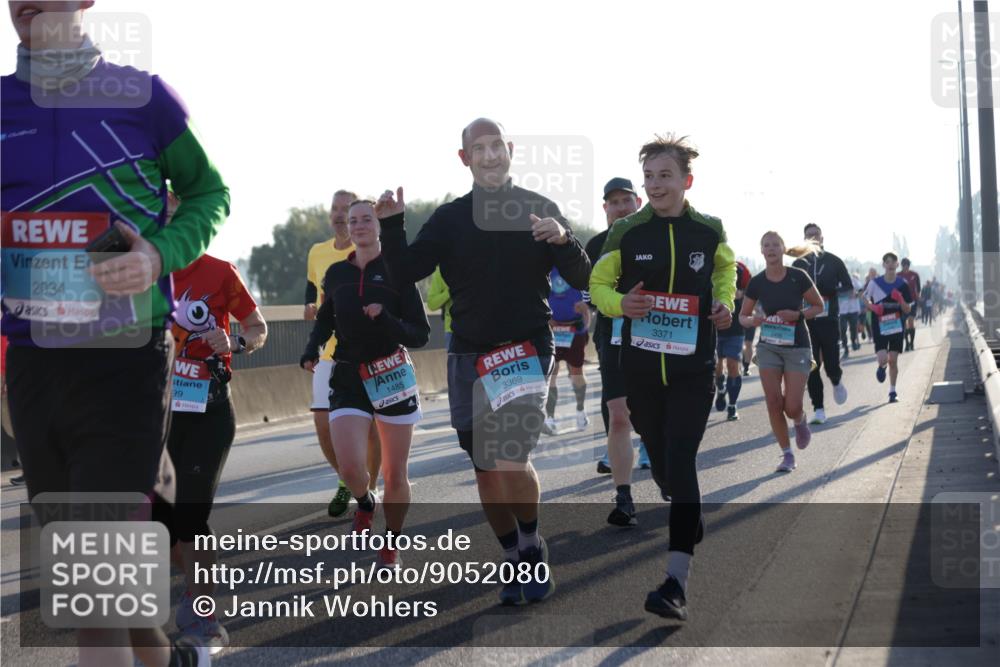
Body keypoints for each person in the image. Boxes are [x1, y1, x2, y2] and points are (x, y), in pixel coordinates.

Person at [2, 3, 229, 665]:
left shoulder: (144, 97)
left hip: (125, 362)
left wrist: (158, 254)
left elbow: (209, 194)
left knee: (93, 591)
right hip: (33, 364)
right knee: (108, 585)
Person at [378, 118, 590, 605]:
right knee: (484, 467)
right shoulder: (450, 219)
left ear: (510, 150)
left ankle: (533, 545)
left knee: (510, 454)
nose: (490, 155)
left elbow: (580, 273)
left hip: (526, 347)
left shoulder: (538, 209)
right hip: (470, 353)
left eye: (498, 146)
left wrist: (563, 239)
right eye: (480, 148)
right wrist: (392, 225)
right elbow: (407, 269)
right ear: (465, 158)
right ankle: (514, 552)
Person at [590, 134, 736, 621]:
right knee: (667, 474)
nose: (654, 184)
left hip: (694, 368)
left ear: (686, 181)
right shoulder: (627, 232)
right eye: (648, 176)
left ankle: (675, 582)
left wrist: (724, 303)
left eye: (664, 175)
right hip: (641, 369)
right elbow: (599, 286)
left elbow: (725, 272)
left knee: (681, 459)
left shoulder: (709, 229)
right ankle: (683, 510)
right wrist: (619, 304)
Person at [157, 192, 268, 653]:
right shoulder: (141, 271)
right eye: (159, 211)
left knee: (192, 516)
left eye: (174, 211)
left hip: (208, 409)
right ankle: (191, 590)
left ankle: (205, 617)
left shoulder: (219, 271)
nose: (168, 218)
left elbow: (258, 328)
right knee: (161, 526)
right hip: (156, 416)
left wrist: (234, 343)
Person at [301, 199, 430, 568]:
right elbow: (325, 319)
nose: (357, 225)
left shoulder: (397, 272)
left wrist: (386, 318)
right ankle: (365, 503)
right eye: (352, 220)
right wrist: (311, 348)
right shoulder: (337, 274)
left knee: (393, 472)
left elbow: (419, 334)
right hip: (348, 374)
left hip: (391, 374)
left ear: (378, 225)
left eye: (366, 219)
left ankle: (391, 541)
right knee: (352, 466)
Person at [304, 190, 382, 518]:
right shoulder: (317, 252)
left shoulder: (366, 248)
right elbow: (313, 292)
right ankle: (347, 478)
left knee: (373, 428)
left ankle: (370, 486)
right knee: (323, 423)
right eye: (335, 209)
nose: (339, 215)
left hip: (368, 352)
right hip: (329, 353)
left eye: (345, 210)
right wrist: (310, 308)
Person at [584, 177, 647, 523]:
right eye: (614, 202)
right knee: (618, 415)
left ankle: (667, 471)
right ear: (605, 207)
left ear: (638, 203)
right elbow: (587, 293)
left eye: (627, 200)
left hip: (658, 339)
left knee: (653, 415)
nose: (621, 207)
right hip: (612, 337)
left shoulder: (655, 234)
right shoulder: (595, 245)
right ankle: (624, 498)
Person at [740, 232, 824, 473]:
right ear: (761, 250)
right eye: (766, 245)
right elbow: (742, 316)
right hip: (768, 345)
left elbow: (819, 306)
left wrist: (797, 315)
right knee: (774, 402)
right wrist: (753, 320)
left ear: (783, 248)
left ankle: (799, 419)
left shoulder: (798, 276)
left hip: (797, 344)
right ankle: (787, 455)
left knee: (792, 405)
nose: (771, 248)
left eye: (775, 244)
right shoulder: (757, 282)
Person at [792, 224, 853, 425]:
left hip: (829, 319)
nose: (813, 238)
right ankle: (818, 408)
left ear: (822, 237)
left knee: (831, 364)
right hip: (807, 321)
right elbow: (788, 288)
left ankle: (836, 380)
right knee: (811, 365)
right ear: (804, 239)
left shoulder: (834, 261)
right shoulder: (798, 264)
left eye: (816, 235)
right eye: (809, 235)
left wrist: (833, 290)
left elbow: (848, 287)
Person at [543, 267, 591, 434]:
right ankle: (550, 418)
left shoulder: (575, 264)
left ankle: (580, 411)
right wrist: (547, 318)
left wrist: (586, 320)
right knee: (552, 373)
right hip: (552, 328)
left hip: (574, 328)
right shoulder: (543, 265)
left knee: (577, 371)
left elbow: (587, 299)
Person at [863, 252, 912, 403]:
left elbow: (907, 310)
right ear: (883, 265)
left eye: (893, 262)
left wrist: (901, 299)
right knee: (884, 359)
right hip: (880, 325)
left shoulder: (902, 284)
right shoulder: (875, 283)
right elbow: (864, 298)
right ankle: (881, 366)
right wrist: (872, 307)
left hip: (897, 325)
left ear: (897, 265)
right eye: (887, 262)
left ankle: (892, 391)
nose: (890, 264)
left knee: (893, 360)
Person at [714, 260, 752, 420]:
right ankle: (721, 389)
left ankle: (732, 405)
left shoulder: (741, 269)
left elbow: (751, 292)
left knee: (732, 366)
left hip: (735, 328)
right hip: (713, 328)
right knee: (716, 367)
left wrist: (741, 294)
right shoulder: (709, 264)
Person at [426, 265, 453, 349]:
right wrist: (450, 292)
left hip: (479, 328)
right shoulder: (441, 272)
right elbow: (431, 303)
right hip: (452, 331)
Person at [838, 272, 863, 358]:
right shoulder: (835, 281)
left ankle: (853, 341)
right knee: (842, 329)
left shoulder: (853, 280)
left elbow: (861, 290)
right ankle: (845, 348)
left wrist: (856, 295)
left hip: (853, 309)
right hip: (841, 310)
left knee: (853, 327)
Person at [898, 258, 921, 351]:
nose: (906, 267)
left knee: (911, 322)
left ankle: (912, 343)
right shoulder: (898, 276)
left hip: (912, 301)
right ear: (901, 266)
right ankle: (906, 343)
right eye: (904, 265)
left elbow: (918, 289)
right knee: (903, 325)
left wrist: (918, 298)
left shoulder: (915, 275)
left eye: (907, 265)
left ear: (909, 265)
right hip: (902, 302)